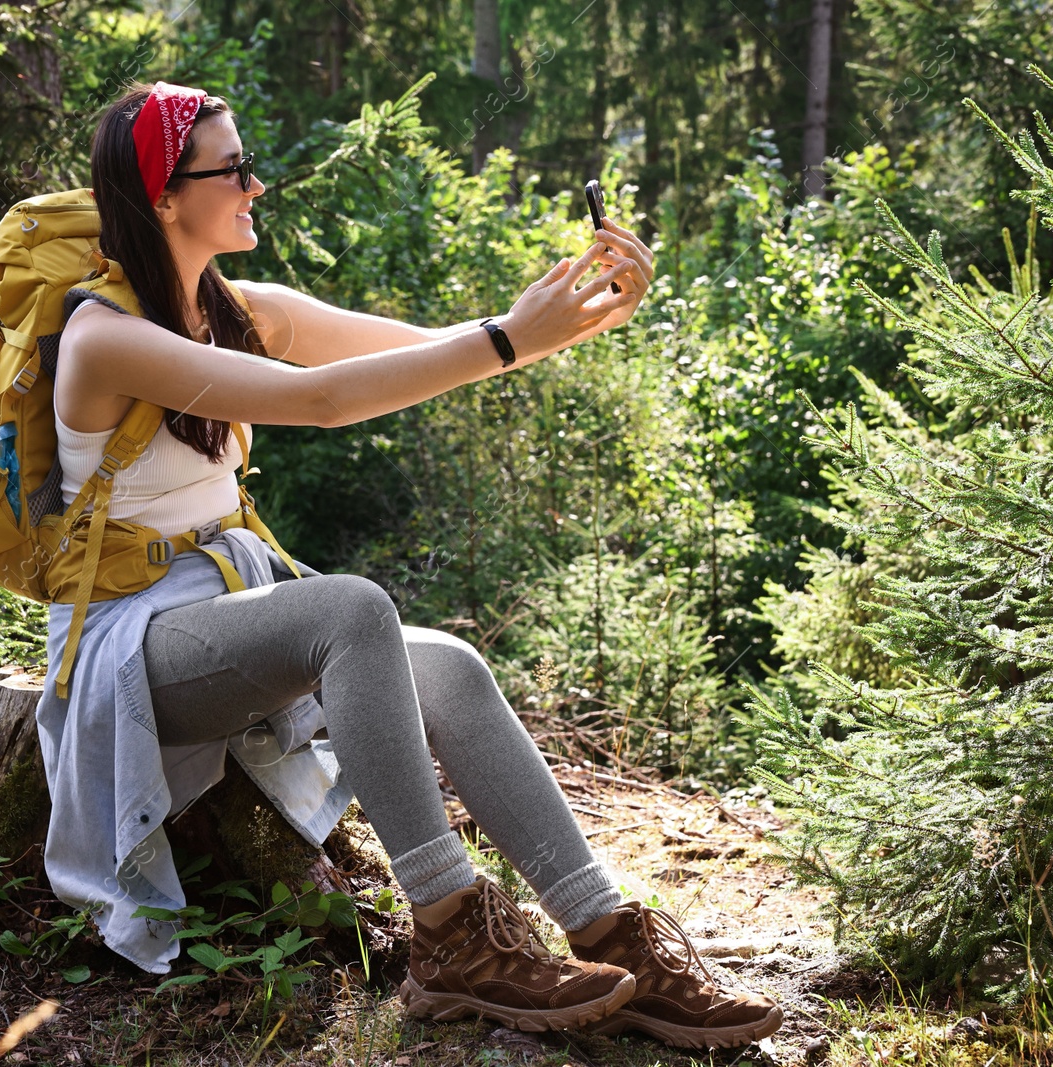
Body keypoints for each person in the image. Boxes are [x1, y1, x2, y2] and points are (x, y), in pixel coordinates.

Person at [47, 78, 783, 1050]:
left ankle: (613, 938)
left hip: (226, 604)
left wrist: (565, 317)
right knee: (350, 610)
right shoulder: (105, 336)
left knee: (449, 663)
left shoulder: (231, 307)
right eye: (234, 168)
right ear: (164, 197)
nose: (257, 185)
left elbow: (418, 353)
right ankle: (447, 930)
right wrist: (509, 338)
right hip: (131, 645)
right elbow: (320, 400)